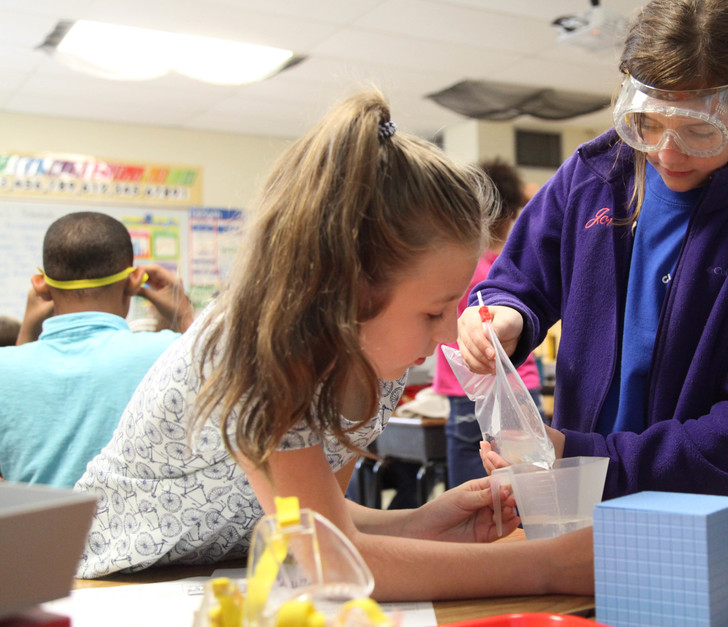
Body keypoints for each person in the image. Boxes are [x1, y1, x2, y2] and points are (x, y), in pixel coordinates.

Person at [73, 88, 592, 601]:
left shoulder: (379, 366)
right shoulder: (256, 343)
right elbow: (324, 558)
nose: (444, 337)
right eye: (433, 311)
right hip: (111, 580)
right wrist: (546, 565)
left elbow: (323, 523)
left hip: (223, 572)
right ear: (348, 290)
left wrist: (422, 521)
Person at [456, 0, 728, 580]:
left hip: (710, 534)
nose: (667, 150)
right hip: (581, 521)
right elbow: (516, 280)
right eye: (648, 124)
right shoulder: (594, 178)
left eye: (699, 130)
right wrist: (502, 317)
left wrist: (583, 457)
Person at [0, 212, 194, 488]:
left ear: (41, 285)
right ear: (133, 280)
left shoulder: (4, 367)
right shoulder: (168, 353)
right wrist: (186, 316)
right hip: (138, 531)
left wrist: (27, 332)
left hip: (37, 531)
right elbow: (222, 392)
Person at [433, 157, 547, 489]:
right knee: (527, 493)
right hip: (521, 387)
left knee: (472, 496)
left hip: (466, 389)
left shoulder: (462, 264)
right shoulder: (518, 267)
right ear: (513, 212)